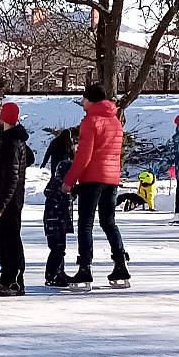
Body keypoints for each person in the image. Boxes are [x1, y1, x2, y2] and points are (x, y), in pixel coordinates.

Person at [62, 84, 131, 289]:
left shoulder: (91, 122)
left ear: (91, 100)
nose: (82, 102)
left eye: (84, 98)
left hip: (92, 179)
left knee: (85, 223)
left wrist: (69, 181)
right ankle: (120, 264)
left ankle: (85, 269)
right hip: (111, 179)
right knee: (108, 222)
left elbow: (84, 156)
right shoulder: (115, 122)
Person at [0, 102, 34, 296]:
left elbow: (12, 177)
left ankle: (14, 280)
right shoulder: (14, 140)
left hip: (10, 202)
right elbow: (28, 159)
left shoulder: (12, 143)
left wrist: (1, 204)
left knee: (8, 240)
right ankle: (7, 278)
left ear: (4, 117)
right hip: (10, 200)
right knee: (0, 239)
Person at [42, 159, 74, 287]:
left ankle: (59, 272)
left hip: (57, 222)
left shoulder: (56, 184)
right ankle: (52, 274)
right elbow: (60, 200)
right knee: (57, 249)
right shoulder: (59, 185)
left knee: (59, 248)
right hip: (56, 222)